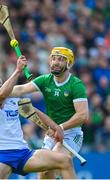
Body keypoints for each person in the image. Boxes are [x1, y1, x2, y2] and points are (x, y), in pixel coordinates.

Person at [0, 55, 76, 179]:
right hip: (3, 155)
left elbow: (34, 113)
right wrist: (18, 70)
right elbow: (1, 95)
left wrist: (55, 128)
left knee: (65, 160)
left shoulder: (13, 99)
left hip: (24, 154)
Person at [11, 47, 89, 179]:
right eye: (53, 58)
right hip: (52, 133)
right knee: (44, 172)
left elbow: (82, 115)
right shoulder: (45, 80)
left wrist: (61, 128)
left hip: (71, 134)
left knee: (56, 159)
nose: (55, 62)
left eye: (60, 59)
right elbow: (20, 89)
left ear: (69, 63)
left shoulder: (76, 85)